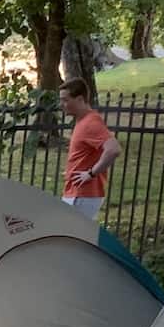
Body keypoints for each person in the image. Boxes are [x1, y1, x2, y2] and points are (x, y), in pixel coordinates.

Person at [60, 78, 120, 220]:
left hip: (83, 193)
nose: (61, 105)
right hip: (76, 192)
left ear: (80, 99)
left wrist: (91, 173)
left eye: (65, 100)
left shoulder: (90, 122)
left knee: (72, 238)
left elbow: (113, 149)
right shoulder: (83, 121)